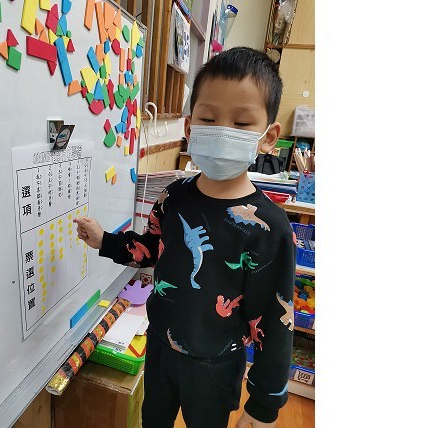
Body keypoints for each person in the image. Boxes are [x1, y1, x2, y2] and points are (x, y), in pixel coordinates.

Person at [73, 47, 295, 428]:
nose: (223, 130)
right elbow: (150, 249)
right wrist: (104, 241)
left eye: (242, 123)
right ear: (190, 127)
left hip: (216, 366)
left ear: (268, 137)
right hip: (160, 348)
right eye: (209, 118)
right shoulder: (173, 196)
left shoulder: (271, 228)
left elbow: (275, 321)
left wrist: (264, 406)